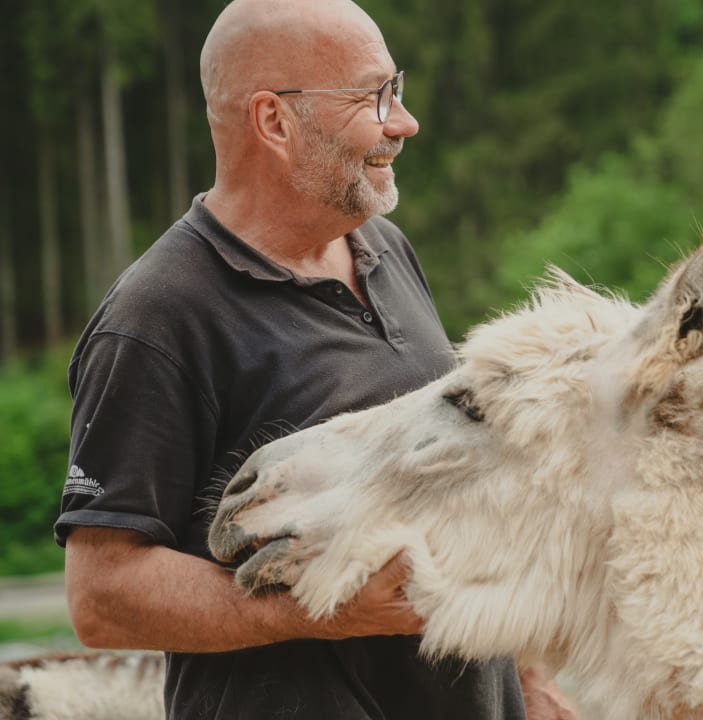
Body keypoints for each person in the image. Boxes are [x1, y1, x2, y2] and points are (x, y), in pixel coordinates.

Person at [56, 1, 576, 718]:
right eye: (373, 97)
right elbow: (102, 598)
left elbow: (457, 480)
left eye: (398, 88)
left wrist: (528, 679)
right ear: (274, 121)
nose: (404, 121)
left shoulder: (386, 250)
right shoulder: (158, 316)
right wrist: (314, 608)